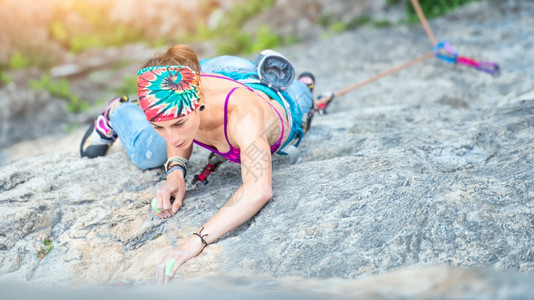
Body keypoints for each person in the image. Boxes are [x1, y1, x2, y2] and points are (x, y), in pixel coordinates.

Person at [80, 45, 316, 283]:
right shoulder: (184, 100)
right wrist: (175, 171)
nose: (172, 138)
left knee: (304, 94)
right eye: (159, 126)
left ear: (199, 103)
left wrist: (197, 240)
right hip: (208, 71)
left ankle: (302, 84)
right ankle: (117, 111)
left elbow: (258, 189)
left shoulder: (244, 116)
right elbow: (175, 132)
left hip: (270, 94)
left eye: (179, 123)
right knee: (148, 153)